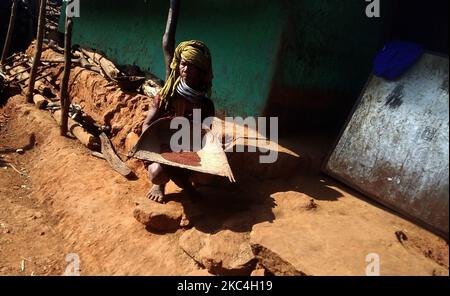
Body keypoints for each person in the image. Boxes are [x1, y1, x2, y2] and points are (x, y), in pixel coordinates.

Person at [141, 40, 215, 203]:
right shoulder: (166, 97)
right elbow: (147, 124)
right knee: (157, 175)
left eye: (192, 66)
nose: (185, 69)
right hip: (161, 148)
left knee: (208, 176)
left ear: (202, 71)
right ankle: (169, 185)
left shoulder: (206, 105)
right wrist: (154, 153)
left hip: (187, 150)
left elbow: (205, 135)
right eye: (183, 64)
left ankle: (185, 178)